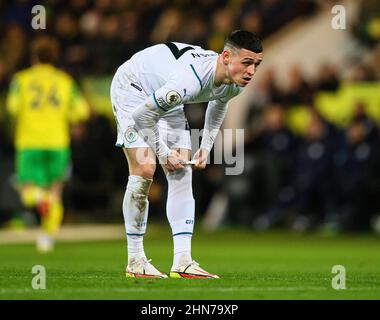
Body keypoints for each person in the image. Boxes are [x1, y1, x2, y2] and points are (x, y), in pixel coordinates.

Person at [110, 30, 263, 278]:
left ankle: (183, 262)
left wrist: (205, 147)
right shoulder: (189, 81)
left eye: (256, 64)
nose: (251, 72)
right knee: (145, 169)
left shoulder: (235, 82)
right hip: (134, 88)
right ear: (226, 56)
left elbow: (218, 104)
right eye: (246, 63)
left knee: (182, 170)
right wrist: (163, 152)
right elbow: (142, 116)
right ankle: (135, 261)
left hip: (166, 95)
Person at [6, 36, 89, 252]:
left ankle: (40, 198)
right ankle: (46, 238)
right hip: (57, 142)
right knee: (55, 192)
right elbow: (81, 111)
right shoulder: (65, 81)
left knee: (27, 192)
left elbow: (12, 107)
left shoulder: (21, 80)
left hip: (29, 142)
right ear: (54, 57)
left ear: (34, 57)